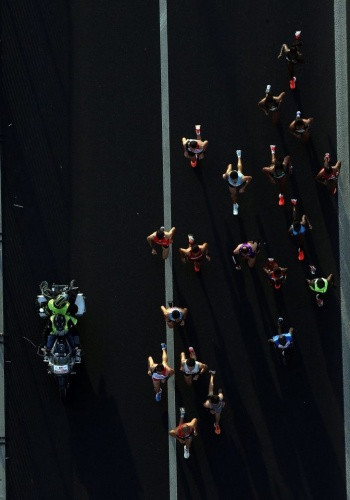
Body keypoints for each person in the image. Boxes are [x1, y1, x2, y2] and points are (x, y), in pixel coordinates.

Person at [222, 150, 252, 215]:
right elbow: (228, 168)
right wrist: (226, 173)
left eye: (234, 180)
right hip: (231, 185)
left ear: (237, 177)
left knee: (240, 169)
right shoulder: (228, 175)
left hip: (240, 180)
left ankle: (239, 156)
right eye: (232, 180)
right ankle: (235, 205)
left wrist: (243, 187)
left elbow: (250, 178)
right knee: (233, 195)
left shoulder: (241, 177)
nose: (234, 181)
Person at [203, 370, 225, 435]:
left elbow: (205, 405)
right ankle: (217, 424)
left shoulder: (209, 404)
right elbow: (221, 396)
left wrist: (212, 410)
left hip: (215, 407)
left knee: (205, 404)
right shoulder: (220, 397)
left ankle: (212, 375)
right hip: (218, 407)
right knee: (218, 416)